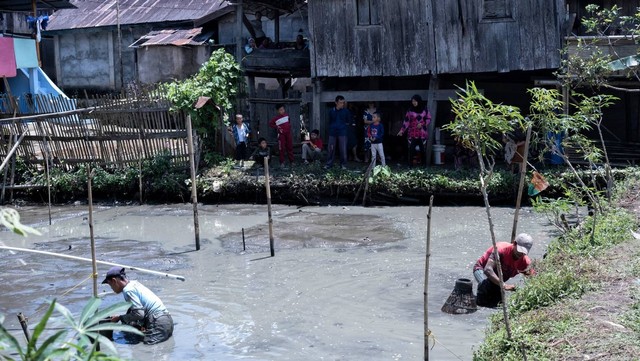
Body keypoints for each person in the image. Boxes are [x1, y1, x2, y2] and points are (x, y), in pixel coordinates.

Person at [102, 267, 173, 345]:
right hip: (167, 320)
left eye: (110, 285)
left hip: (158, 322)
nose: (111, 288)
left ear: (114, 281)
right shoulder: (134, 284)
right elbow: (136, 310)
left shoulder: (128, 290)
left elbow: (139, 314)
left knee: (145, 351)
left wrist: (120, 318)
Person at [472, 233, 536, 308]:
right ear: (514, 243)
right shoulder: (501, 249)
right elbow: (488, 270)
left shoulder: (525, 262)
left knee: (498, 303)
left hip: (499, 279)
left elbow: (534, 279)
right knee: (485, 287)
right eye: (520, 250)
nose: (521, 254)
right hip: (481, 269)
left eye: (523, 252)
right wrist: (504, 285)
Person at [397, 94, 431, 167]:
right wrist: (402, 130)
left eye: (415, 101)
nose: (414, 103)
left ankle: (424, 165)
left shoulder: (425, 109)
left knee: (422, 150)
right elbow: (406, 121)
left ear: (419, 101)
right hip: (412, 133)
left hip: (422, 133)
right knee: (411, 150)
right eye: (412, 101)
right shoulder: (410, 111)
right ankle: (410, 166)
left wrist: (422, 124)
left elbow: (429, 119)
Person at [325, 95, 352, 170]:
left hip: (342, 131)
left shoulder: (346, 111)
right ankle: (329, 164)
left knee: (343, 149)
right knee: (331, 148)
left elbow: (348, 121)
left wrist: (344, 127)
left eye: (343, 103)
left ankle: (343, 164)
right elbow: (330, 121)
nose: (342, 104)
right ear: (336, 102)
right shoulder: (331, 111)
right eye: (340, 103)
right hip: (332, 131)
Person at [269, 103, 294, 168]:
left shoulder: (287, 116)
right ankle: (282, 162)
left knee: (290, 147)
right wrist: (277, 127)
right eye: (280, 110)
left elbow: (289, 122)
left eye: (283, 109)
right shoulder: (276, 119)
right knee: (281, 148)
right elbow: (270, 124)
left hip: (288, 134)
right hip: (281, 135)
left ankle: (292, 161)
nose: (282, 111)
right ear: (278, 111)